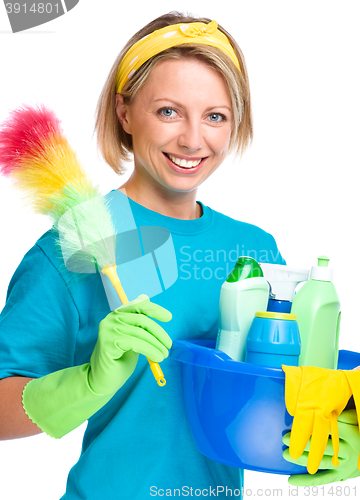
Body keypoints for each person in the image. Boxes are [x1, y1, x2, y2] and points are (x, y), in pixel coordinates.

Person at [0, 12, 287, 499]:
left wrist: (325, 435)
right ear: (125, 112)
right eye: (169, 111)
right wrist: (89, 382)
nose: (193, 140)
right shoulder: (76, 246)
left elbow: (273, 398)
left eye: (215, 116)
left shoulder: (254, 251)